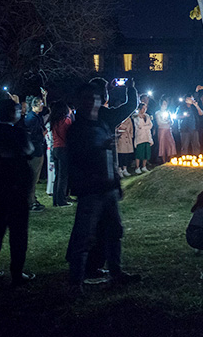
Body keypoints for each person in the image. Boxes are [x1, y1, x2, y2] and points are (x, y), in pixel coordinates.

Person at [65, 79, 141, 292]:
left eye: (95, 98)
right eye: (87, 99)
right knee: (85, 236)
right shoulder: (77, 129)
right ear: (79, 101)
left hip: (108, 188)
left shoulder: (102, 124)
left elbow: (109, 156)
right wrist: (99, 147)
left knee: (114, 231)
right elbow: (77, 159)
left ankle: (116, 273)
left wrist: (116, 183)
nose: (91, 102)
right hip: (90, 190)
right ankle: (76, 283)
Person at [0, 97, 36, 285]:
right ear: (13, 113)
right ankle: (16, 272)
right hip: (16, 188)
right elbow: (29, 150)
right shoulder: (18, 133)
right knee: (18, 233)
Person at [23, 91, 48, 211]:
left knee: (34, 177)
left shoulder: (35, 116)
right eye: (40, 104)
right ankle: (30, 201)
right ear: (33, 106)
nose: (42, 106)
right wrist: (42, 134)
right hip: (34, 151)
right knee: (32, 177)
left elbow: (46, 111)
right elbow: (31, 135)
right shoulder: (31, 118)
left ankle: (32, 198)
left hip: (37, 149)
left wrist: (44, 97)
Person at [48, 100, 74, 207]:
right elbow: (71, 135)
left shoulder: (54, 121)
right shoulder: (66, 121)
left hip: (55, 148)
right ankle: (61, 200)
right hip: (64, 149)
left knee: (57, 175)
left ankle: (56, 200)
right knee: (63, 177)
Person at [133, 103, 154, 173]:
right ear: (139, 109)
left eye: (145, 108)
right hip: (140, 137)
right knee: (139, 153)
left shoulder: (147, 116)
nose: (144, 110)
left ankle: (144, 166)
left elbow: (150, 125)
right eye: (143, 108)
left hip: (147, 137)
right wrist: (145, 126)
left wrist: (145, 127)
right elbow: (139, 126)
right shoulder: (136, 117)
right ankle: (137, 167)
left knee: (146, 152)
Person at [155, 97, 177, 163]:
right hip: (162, 130)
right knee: (162, 145)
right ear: (161, 105)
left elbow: (172, 121)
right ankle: (163, 160)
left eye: (166, 104)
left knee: (171, 143)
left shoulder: (168, 112)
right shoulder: (158, 113)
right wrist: (166, 122)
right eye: (164, 104)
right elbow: (159, 122)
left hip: (168, 130)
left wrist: (170, 121)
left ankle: (170, 159)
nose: (165, 105)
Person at [116, 111, 135, 176]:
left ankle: (125, 169)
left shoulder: (129, 119)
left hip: (127, 138)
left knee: (126, 155)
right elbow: (117, 128)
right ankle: (120, 169)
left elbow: (131, 129)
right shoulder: (118, 118)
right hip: (120, 138)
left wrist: (131, 137)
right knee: (121, 154)